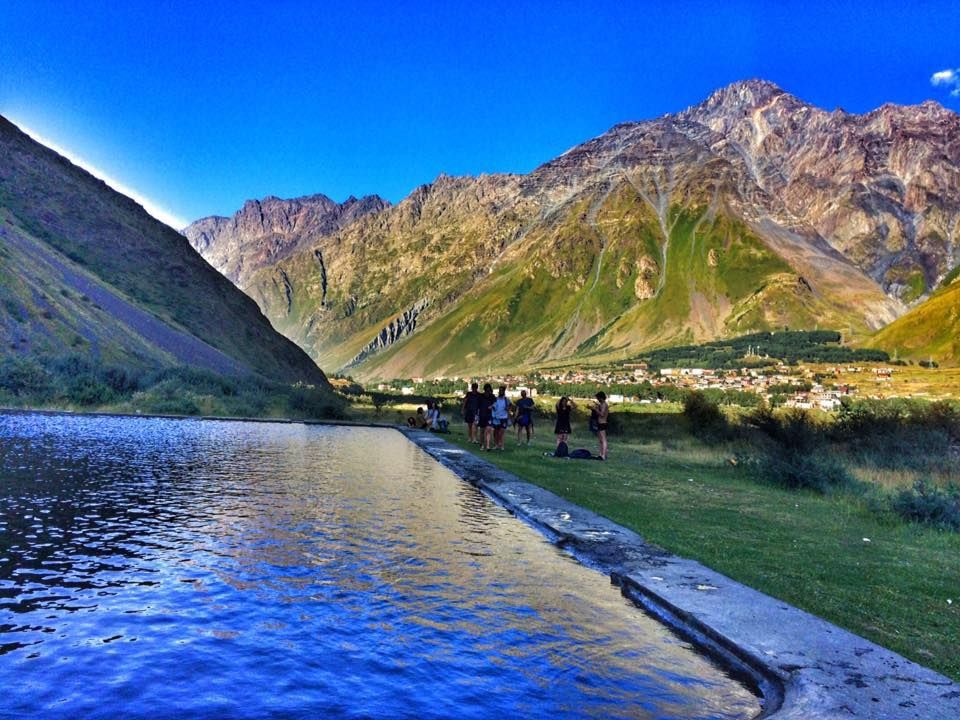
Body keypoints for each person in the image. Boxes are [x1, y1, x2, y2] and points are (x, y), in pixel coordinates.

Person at [492, 386, 511, 450]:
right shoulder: (496, 399)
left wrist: (508, 417)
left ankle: (501, 445)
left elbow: (509, 408)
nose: (500, 392)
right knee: (496, 432)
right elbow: (493, 407)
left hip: (504, 417)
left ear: (504, 391)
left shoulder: (506, 400)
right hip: (496, 417)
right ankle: (496, 444)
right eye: (499, 390)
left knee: (502, 432)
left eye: (501, 390)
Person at [478, 383, 496, 450]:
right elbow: (478, 406)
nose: (488, 391)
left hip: (489, 415)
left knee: (488, 429)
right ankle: (482, 444)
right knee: (482, 431)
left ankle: (488, 446)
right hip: (482, 415)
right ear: (485, 389)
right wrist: (477, 415)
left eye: (489, 390)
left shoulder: (492, 396)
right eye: (487, 390)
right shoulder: (481, 396)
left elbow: (495, 403)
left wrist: (492, 406)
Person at [592, 391, 609, 460]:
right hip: (599, 423)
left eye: (598, 398)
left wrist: (596, 410)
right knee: (600, 440)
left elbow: (602, 414)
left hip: (603, 423)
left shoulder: (604, 404)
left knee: (603, 439)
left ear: (601, 398)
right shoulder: (601, 404)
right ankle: (601, 454)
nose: (597, 400)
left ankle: (604, 455)